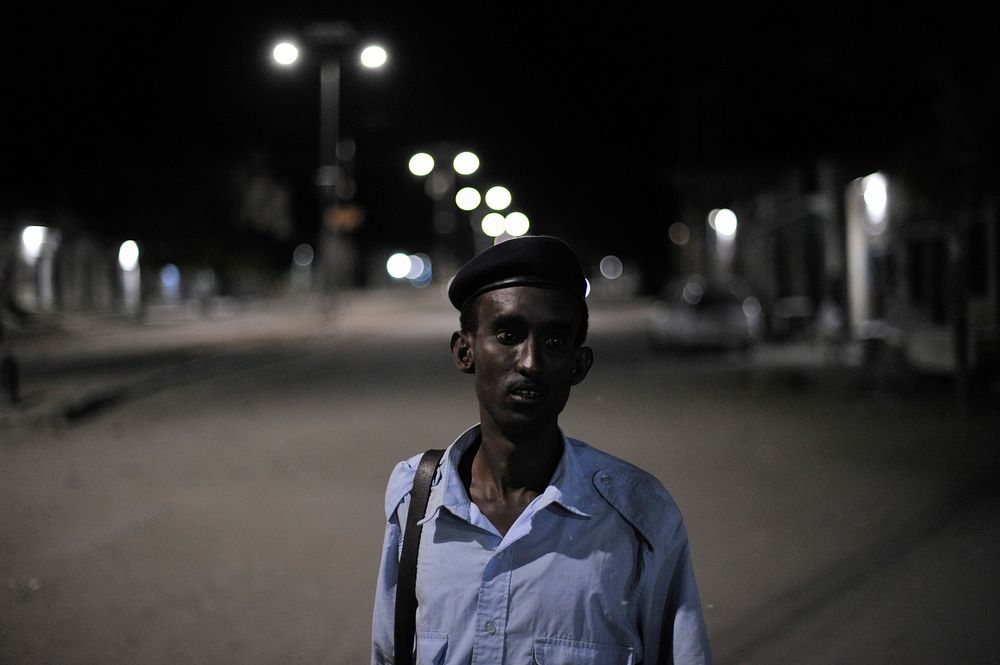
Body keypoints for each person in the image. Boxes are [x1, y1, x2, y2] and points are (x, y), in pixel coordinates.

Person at [371, 235, 712, 664]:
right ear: (465, 351)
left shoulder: (639, 515)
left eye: (553, 342)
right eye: (508, 334)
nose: (530, 362)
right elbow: (389, 653)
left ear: (578, 365)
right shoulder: (415, 499)